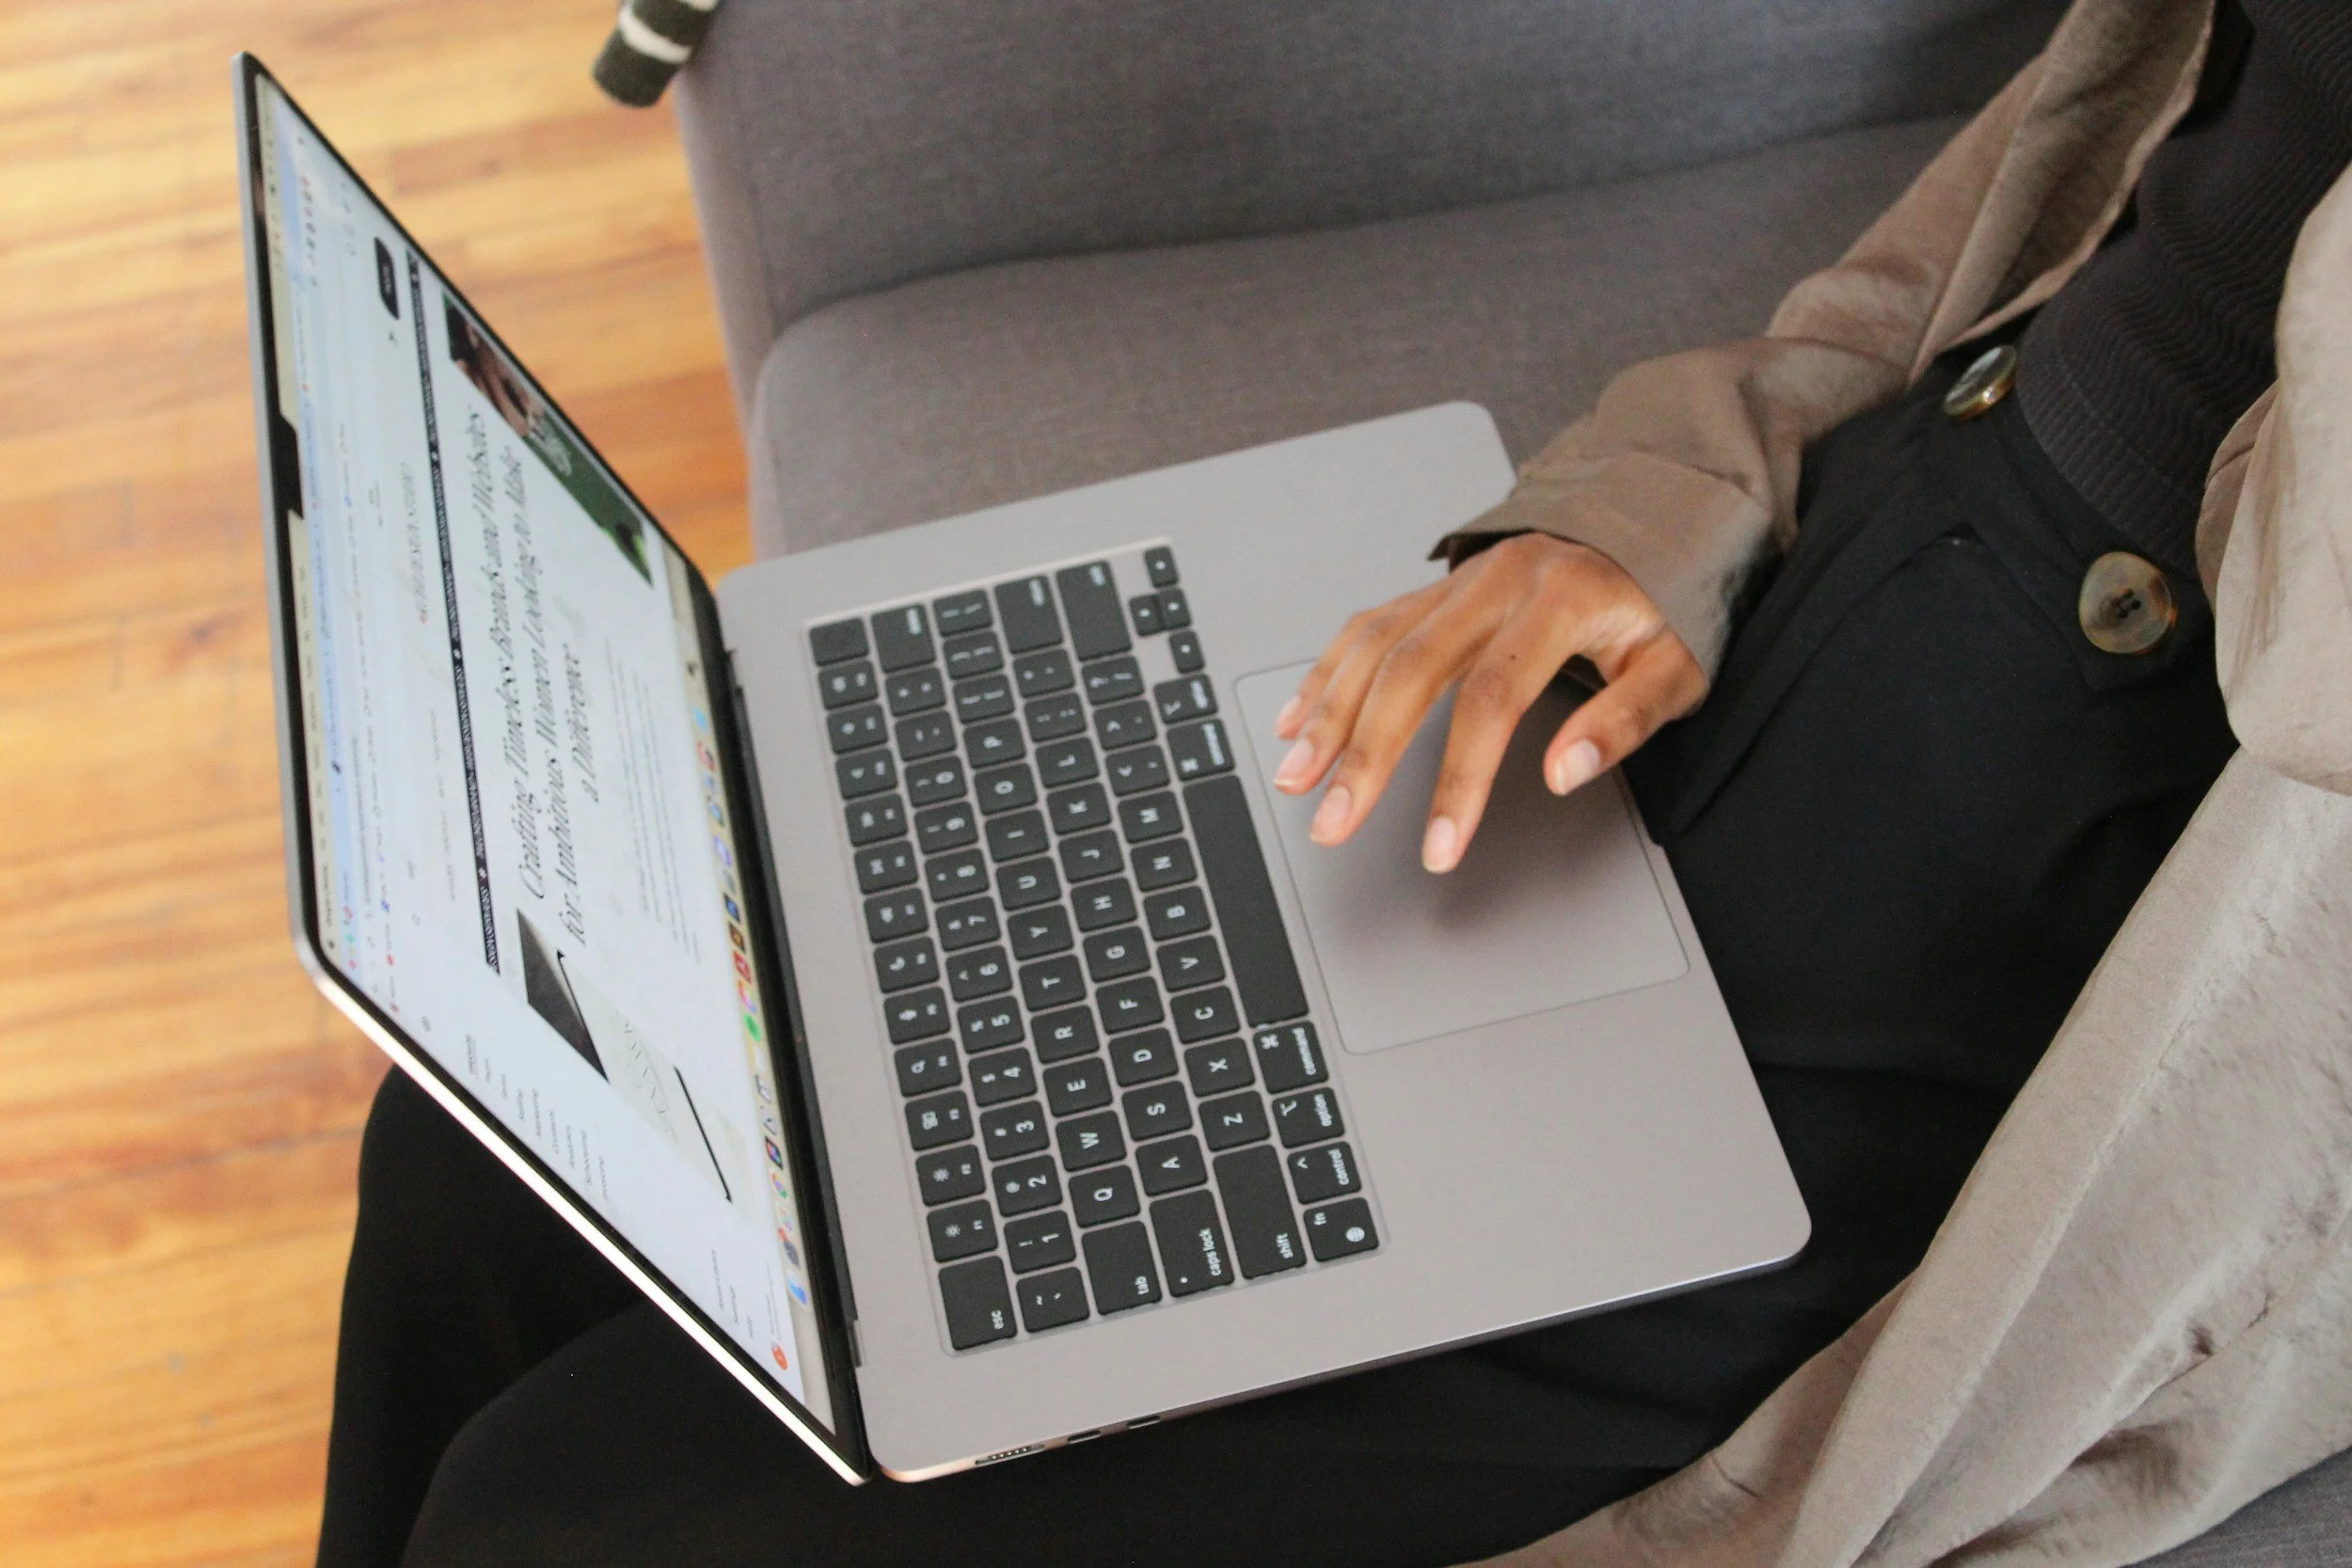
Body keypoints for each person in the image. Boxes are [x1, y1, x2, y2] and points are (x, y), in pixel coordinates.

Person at [314, 2, 2352, 1563]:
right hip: (1780, 612)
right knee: (482, 1144)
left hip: (2070, 952)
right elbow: (2045, 219)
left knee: (560, 1502)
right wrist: (1643, 511)